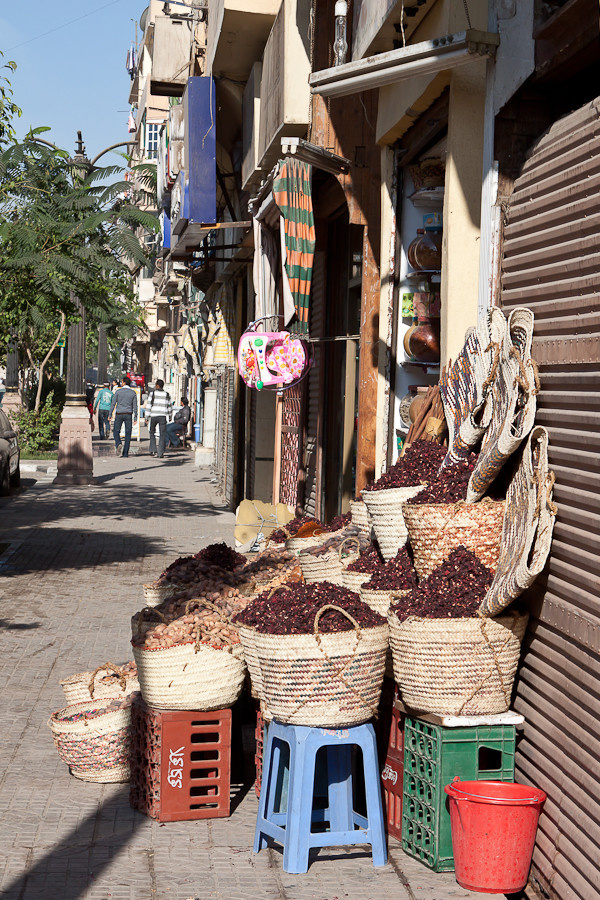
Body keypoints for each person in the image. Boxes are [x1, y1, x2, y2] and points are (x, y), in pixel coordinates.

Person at [109, 376, 138, 458]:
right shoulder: (133, 393)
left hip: (119, 414)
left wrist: (110, 414)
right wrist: (135, 417)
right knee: (128, 434)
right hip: (128, 414)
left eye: (122, 382)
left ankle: (118, 443)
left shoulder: (118, 392)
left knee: (116, 431)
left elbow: (113, 403)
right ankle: (125, 453)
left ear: (124, 383)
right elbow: (135, 406)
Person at [146, 379, 172, 459]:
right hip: (163, 416)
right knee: (162, 434)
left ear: (157, 385)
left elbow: (149, 405)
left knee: (152, 432)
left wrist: (147, 417)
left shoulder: (152, 394)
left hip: (154, 415)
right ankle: (160, 452)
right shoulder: (167, 394)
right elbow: (169, 406)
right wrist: (170, 416)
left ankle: (153, 449)